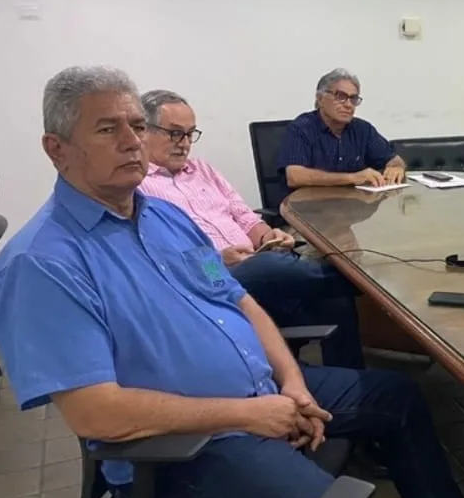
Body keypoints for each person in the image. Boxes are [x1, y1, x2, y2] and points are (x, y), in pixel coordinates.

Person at [0, 66, 464, 498]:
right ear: (57, 148)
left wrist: (291, 383)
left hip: (260, 393)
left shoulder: (162, 219)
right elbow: (98, 415)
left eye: (136, 126)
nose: (132, 143)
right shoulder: (41, 262)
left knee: (397, 397)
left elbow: (240, 302)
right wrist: (249, 414)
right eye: (107, 129)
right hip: (186, 444)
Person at [138, 89, 364, 370]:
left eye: (190, 134)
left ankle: (353, 382)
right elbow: (157, 256)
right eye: (174, 133)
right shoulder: (137, 187)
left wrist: (268, 236)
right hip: (212, 274)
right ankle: (361, 279)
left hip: (257, 261)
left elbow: (244, 215)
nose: (184, 143)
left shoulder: (203, 170)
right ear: (142, 132)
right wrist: (219, 259)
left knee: (332, 297)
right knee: (272, 265)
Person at [278, 68, 406, 189]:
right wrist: (352, 178)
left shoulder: (363, 130)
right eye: (340, 97)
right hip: (312, 208)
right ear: (320, 98)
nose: (348, 105)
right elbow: (295, 177)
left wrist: (396, 167)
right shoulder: (301, 128)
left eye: (353, 99)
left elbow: (394, 160)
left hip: (354, 206)